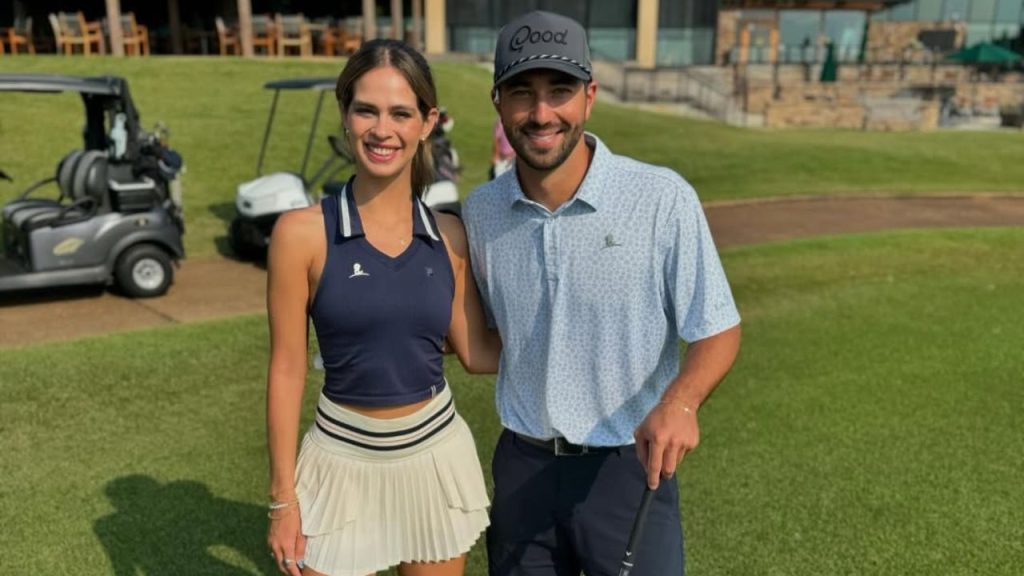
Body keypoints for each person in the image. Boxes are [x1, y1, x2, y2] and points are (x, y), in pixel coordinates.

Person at [461, 11, 742, 576]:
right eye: (523, 93)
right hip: (523, 464)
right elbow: (488, 343)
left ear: (589, 96)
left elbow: (716, 326)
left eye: (559, 91)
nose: (542, 114)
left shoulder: (661, 198)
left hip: (628, 469)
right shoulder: (481, 212)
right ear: (498, 102)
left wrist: (680, 402)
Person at [265, 39, 500, 576]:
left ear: (427, 121)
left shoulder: (451, 236)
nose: (382, 129)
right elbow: (286, 369)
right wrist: (283, 498)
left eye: (401, 112)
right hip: (338, 462)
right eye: (365, 109)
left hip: (434, 459)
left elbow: (478, 352)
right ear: (345, 114)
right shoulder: (300, 234)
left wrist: (566, 341)